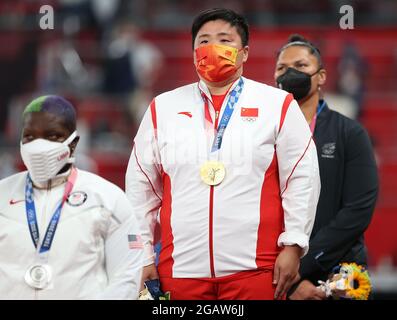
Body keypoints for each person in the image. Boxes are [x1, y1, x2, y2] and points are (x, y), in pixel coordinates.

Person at [126, 8, 320, 300]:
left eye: (224, 40)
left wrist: (294, 245)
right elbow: (140, 190)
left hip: (257, 269)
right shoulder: (162, 108)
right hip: (180, 271)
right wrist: (141, 257)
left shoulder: (277, 105)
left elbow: (302, 177)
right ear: (193, 53)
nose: (212, 48)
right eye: (203, 41)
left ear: (244, 53)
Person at [0, 95, 143, 300]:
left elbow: (127, 277)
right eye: (30, 137)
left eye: (51, 136)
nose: (38, 147)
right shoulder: (2, 196)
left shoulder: (108, 199)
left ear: (73, 143)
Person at [274, 34, 378, 300]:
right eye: (282, 68)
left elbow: (357, 211)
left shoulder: (350, 133)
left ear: (321, 77)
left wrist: (300, 267)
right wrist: (290, 280)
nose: (290, 73)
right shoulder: (263, 137)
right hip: (278, 273)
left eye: (300, 66)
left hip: (337, 273)